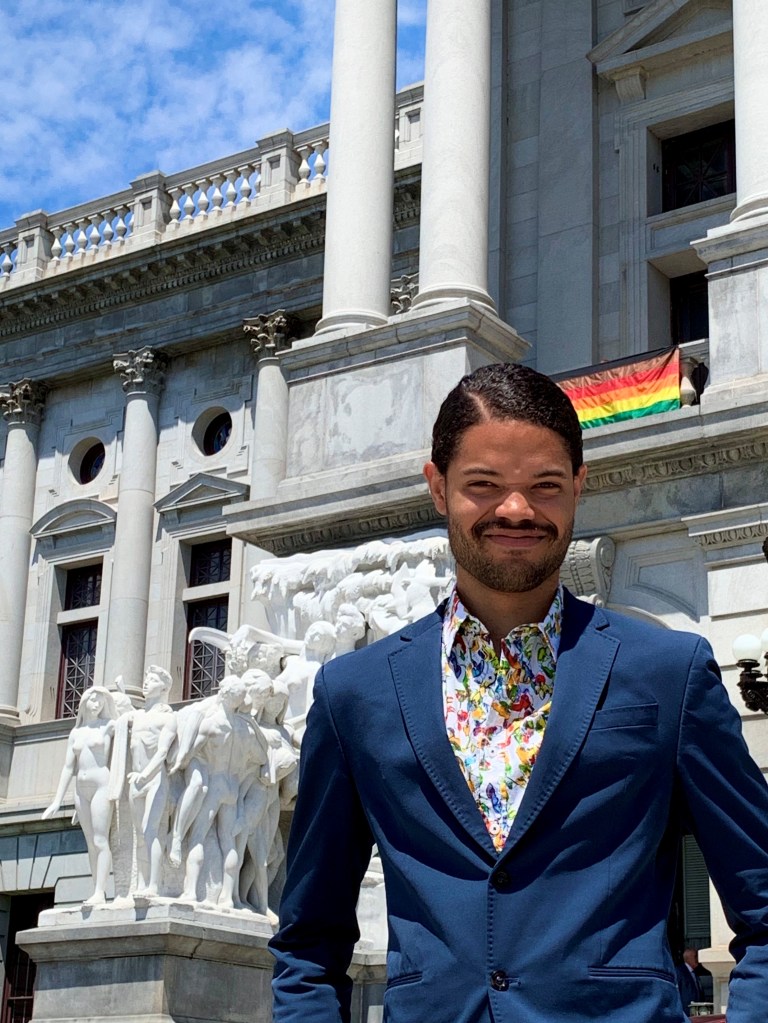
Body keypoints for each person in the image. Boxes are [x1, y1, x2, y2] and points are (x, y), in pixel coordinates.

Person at [270, 363, 768, 1023]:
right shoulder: (354, 694)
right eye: (484, 485)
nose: (516, 509)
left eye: (545, 485)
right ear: (438, 486)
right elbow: (308, 942)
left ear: (578, 488)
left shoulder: (669, 672)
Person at [43, 686, 119, 906]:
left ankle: (100, 891)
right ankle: (96, 889)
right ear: (84, 702)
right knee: (90, 843)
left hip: (101, 786)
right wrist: (57, 800)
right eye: (92, 700)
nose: (96, 704)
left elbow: (128, 731)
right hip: (80, 789)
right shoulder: (76, 732)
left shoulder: (109, 726)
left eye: (100, 701)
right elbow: (68, 767)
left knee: (100, 839)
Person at [676, 947, 703, 1016]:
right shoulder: (679, 972)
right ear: (689, 958)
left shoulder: (695, 973)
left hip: (697, 1012)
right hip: (685, 1013)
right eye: (695, 956)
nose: (697, 959)